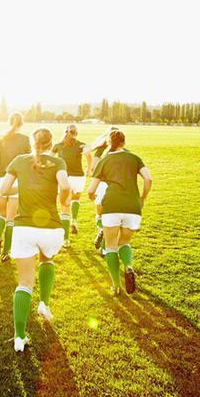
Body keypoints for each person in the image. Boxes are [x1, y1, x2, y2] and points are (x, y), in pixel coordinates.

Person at [0, 128, 71, 352]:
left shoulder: (20, 160)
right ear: (50, 143)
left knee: (24, 282)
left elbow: (4, 189)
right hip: (50, 227)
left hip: (23, 228)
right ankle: (44, 305)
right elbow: (66, 186)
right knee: (47, 261)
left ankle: (19, 337)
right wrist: (62, 200)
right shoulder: (57, 162)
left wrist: (27, 187)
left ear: (32, 142)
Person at [87, 129, 152, 295]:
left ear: (109, 143)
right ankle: (128, 266)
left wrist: (91, 197)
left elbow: (91, 189)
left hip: (111, 206)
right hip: (132, 207)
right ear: (124, 142)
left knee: (110, 247)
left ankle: (116, 286)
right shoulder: (135, 158)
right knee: (124, 243)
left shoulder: (105, 160)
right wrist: (142, 197)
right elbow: (148, 179)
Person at [0, 113, 31, 262]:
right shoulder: (25, 139)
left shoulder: (2, 136)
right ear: (22, 123)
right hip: (17, 180)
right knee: (11, 219)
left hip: (1, 178)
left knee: (0, 213)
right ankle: (6, 252)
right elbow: (30, 159)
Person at [51, 124, 90, 246]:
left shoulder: (57, 145)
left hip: (64, 178)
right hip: (78, 177)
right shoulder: (80, 144)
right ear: (76, 133)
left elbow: (50, 159)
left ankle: (66, 239)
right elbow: (89, 154)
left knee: (64, 208)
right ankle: (74, 220)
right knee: (76, 198)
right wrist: (89, 168)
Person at [83, 126, 119, 252]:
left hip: (102, 184)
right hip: (117, 187)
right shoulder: (123, 151)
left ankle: (101, 230)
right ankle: (104, 248)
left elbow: (95, 168)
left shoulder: (100, 151)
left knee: (99, 212)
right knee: (110, 216)